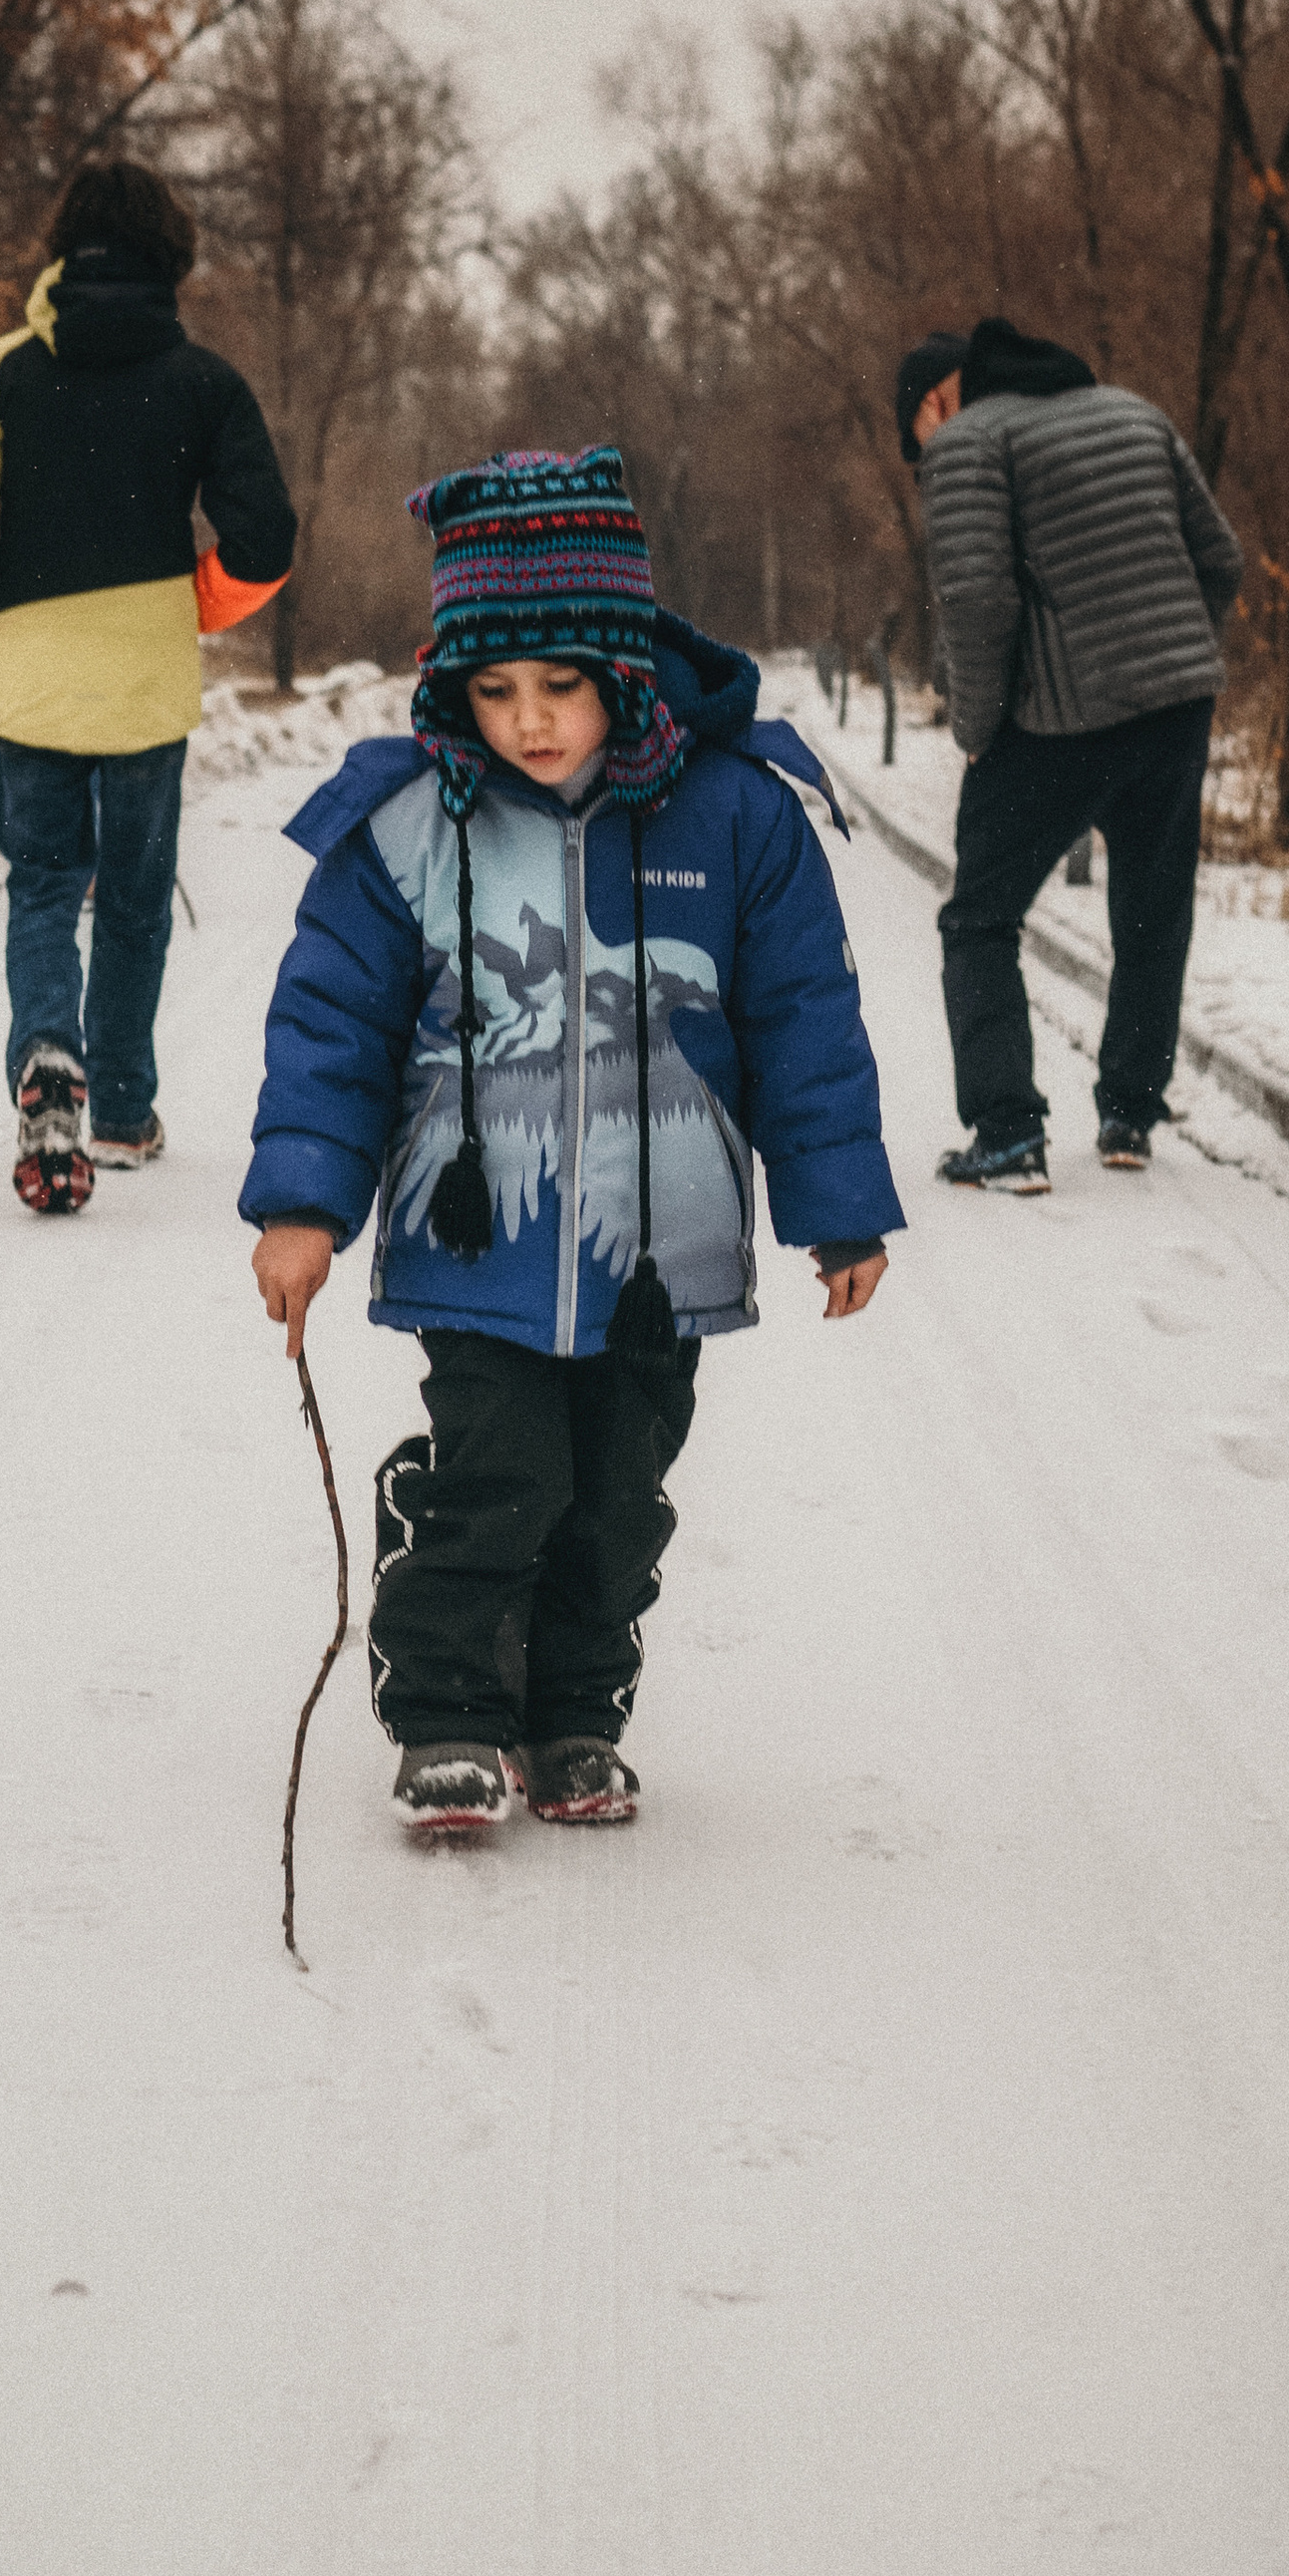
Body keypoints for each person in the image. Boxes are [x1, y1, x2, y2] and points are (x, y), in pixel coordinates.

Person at [240, 445, 902, 1836]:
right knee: (503, 1474)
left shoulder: (736, 817)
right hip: (479, 1238)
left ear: (626, 670)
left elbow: (805, 1019)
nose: (531, 723)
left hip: (662, 1247)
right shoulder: (412, 820)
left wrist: (839, 1206)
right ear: (451, 686)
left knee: (616, 1498)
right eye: (494, 691)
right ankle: (449, 1713)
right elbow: (333, 1021)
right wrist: (305, 1202)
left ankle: (576, 1712)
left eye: (562, 687)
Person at [0, 159, 296, 1211]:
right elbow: (265, 540)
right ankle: (122, 1112)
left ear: (61, 252)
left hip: (35, 674)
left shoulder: (0, 372)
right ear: (169, 259)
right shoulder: (204, 383)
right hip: (146, 682)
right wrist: (193, 604)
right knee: (131, 901)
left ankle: (46, 1052)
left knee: (42, 882)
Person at [904, 313, 1242, 1192]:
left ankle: (1009, 1129)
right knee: (1152, 910)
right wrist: (1169, 658)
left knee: (978, 918)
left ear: (942, 396)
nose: (924, 451)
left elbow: (978, 603)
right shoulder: (1133, 412)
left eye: (919, 429)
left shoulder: (970, 442)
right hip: (1176, 709)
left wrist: (977, 730)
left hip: (1059, 727)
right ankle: (1130, 1111)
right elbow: (1221, 558)